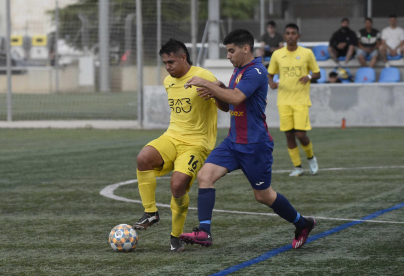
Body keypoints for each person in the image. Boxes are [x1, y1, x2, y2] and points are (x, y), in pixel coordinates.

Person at [179, 29, 316, 250]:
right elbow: (229, 105)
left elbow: (236, 97)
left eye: (231, 51)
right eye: (227, 51)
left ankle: (303, 223)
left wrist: (208, 84)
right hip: (233, 142)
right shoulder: (239, 71)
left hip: (255, 145)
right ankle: (204, 232)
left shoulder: (257, 72)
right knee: (205, 176)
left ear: (246, 48)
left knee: (263, 196)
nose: (228, 56)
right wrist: (215, 94)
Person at [133, 38, 228, 253]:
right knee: (143, 159)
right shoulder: (168, 82)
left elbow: (226, 106)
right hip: (172, 137)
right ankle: (151, 213)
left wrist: (214, 90)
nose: (167, 67)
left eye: (171, 62)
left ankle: (175, 238)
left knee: (177, 186)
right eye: (165, 63)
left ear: (183, 58)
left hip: (197, 144)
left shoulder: (203, 76)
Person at [268, 23, 320, 177]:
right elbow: (270, 74)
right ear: (284, 36)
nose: (290, 36)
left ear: (298, 36)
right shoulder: (277, 55)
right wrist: (271, 83)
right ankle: (297, 167)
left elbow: (317, 73)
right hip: (283, 101)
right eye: (288, 33)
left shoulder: (307, 53)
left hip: (301, 100)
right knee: (289, 135)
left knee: (300, 134)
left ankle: (311, 158)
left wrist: (309, 76)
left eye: (293, 33)